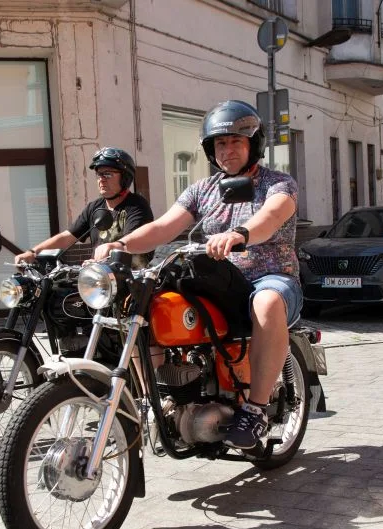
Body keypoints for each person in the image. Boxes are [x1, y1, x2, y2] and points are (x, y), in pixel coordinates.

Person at [94, 100, 301, 450]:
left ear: (254, 144)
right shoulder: (202, 190)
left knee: (266, 303)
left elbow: (271, 217)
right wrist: (122, 244)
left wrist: (241, 234)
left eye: (236, 141)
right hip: (219, 281)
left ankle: (255, 409)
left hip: (271, 278)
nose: (228, 149)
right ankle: (160, 399)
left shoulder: (277, 183)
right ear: (211, 150)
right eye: (221, 143)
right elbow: (163, 226)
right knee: (148, 304)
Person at [15, 147, 153, 266]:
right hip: (100, 281)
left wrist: (105, 256)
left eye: (108, 174)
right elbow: (67, 237)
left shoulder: (136, 206)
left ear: (125, 178)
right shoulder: (95, 207)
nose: (101, 179)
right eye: (99, 174)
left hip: (134, 282)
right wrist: (33, 252)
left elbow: (131, 241)